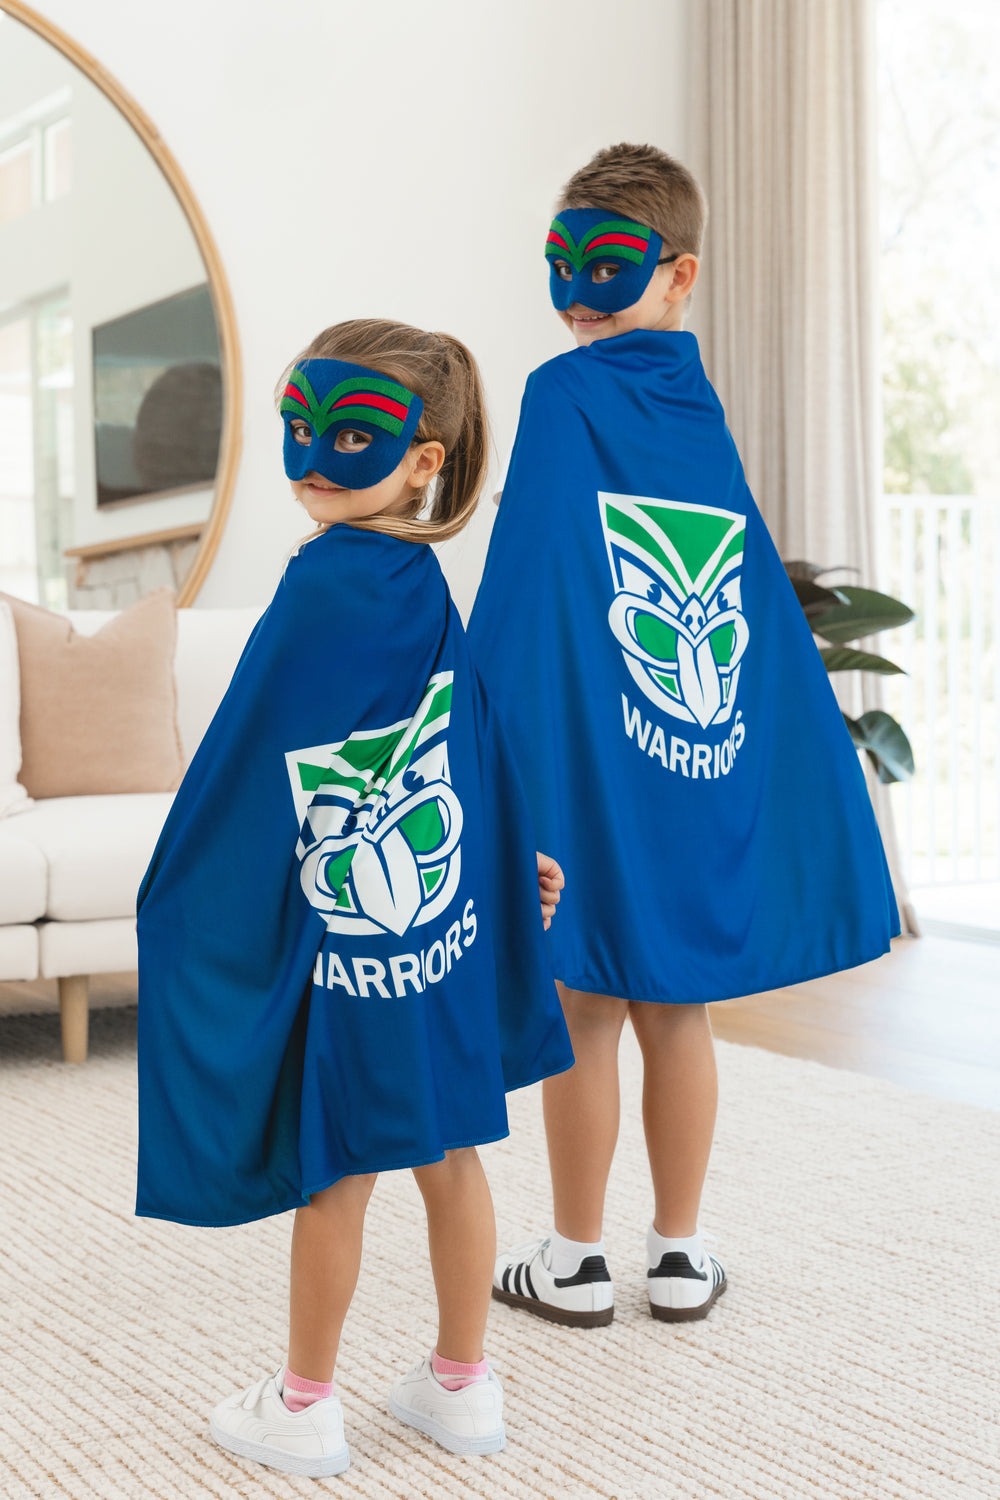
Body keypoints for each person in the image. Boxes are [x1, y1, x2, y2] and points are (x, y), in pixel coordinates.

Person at [467, 143, 899, 1329]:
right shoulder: (696, 406)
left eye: (603, 269)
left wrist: (479, 731)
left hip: (598, 764)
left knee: (586, 1009)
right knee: (676, 1010)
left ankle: (571, 1258)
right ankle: (679, 1253)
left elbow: (526, 586)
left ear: (678, 274)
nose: (575, 299)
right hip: (687, 757)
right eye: (560, 268)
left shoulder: (561, 395)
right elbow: (747, 598)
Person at [135, 319, 574, 1479]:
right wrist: (505, 858)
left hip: (351, 941)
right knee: (452, 1148)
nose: (317, 455)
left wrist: (183, 889)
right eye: (300, 428)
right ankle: (463, 1385)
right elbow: (464, 741)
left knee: (336, 1169)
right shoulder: (417, 576)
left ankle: (305, 1403)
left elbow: (251, 761)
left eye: (356, 434)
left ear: (424, 457)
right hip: (436, 936)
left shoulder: (325, 586)